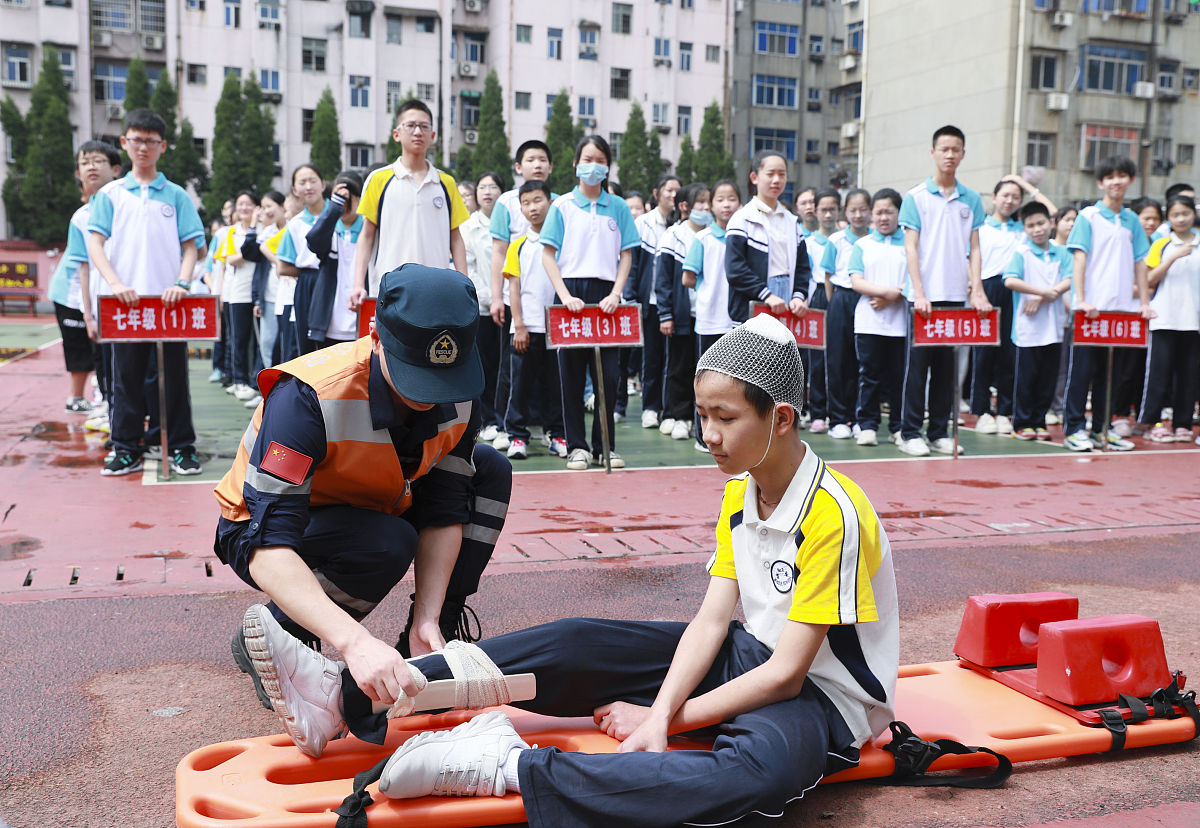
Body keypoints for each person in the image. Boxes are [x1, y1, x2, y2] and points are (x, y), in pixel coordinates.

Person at [241, 313, 898, 828]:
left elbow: (786, 676)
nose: (709, 435)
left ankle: (511, 768)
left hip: (820, 700)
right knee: (581, 641)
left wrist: (665, 720)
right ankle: (345, 695)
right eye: (702, 416)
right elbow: (710, 619)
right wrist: (665, 707)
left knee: (753, 777)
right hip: (747, 656)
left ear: (780, 419)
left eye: (725, 419)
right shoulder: (744, 483)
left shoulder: (835, 514)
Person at [216, 264, 513, 709]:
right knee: (387, 541)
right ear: (375, 337)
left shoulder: (462, 390)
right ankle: (285, 638)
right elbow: (269, 542)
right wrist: (354, 642)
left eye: (445, 380)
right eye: (416, 375)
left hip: (380, 498)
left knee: (488, 471)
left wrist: (427, 614)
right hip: (269, 526)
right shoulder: (308, 397)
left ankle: (432, 635)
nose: (432, 395)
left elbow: (445, 507)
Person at [85, 109, 204, 477]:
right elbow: (96, 243)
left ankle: (181, 447)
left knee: (173, 380)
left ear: (162, 146)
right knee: (126, 379)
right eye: (136, 139)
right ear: (125, 142)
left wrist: (182, 283)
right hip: (126, 305)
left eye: (151, 141)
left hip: (169, 304)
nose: (143, 147)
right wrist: (115, 283)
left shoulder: (177, 195)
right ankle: (125, 448)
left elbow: (191, 247)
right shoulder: (110, 195)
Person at [541, 135, 640, 470]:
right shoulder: (562, 206)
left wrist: (616, 292)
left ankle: (605, 446)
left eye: (600, 159)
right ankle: (577, 447)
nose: (593, 165)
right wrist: (565, 295)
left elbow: (626, 255)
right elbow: (548, 256)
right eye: (587, 158)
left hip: (607, 297)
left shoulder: (620, 207)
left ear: (608, 165)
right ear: (575, 164)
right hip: (570, 294)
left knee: (609, 377)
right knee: (570, 374)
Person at [896, 125, 990, 457]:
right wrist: (919, 292)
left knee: (947, 370)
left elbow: (975, 249)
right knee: (917, 369)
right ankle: (909, 432)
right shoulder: (916, 197)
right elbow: (911, 248)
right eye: (944, 149)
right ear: (933, 152)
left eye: (956, 149)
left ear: (963, 154)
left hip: (956, 298)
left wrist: (976, 290)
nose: (950, 155)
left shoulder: (973, 199)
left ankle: (938, 430)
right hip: (923, 299)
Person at [1063, 156, 1155, 452]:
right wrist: (1081, 299)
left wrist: (1142, 301)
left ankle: (1102, 429)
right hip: (1091, 311)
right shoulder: (1088, 217)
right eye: (1111, 176)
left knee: (1111, 373)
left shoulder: (1131, 221)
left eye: (1123, 176)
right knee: (1083, 372)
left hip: (1121, 313)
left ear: (1130, 180)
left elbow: (1141, 262)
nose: (1117, 181)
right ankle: (1074, 428)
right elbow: (1079, 258)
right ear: (1101, 182)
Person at [352, 99, 468, 307]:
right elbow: (367, 235)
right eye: (411, 125)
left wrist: (465, 284)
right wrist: (358, 283)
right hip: (390, 287)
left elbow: (456, 238)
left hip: (437, 289)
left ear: (433, 136)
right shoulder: (379, 179)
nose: (417, 132)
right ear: (397, 134)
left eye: (424, 126)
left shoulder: (446, 183)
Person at [972, 175, 1056, 436]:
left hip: (1019, 292)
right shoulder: (980, 228)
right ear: (994, 198)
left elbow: (1050, 211)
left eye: (1015, 197)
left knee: (1011, 354)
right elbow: (970, 260)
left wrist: (1025, 184)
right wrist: (977, 292)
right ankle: (982, 411)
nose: (1009, 201)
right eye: (1005, 195)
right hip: (988, 289)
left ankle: (1005, 410)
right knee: (984, 353)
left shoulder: (1023, 228)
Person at [486, 141, 555, 450]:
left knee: (548, 371)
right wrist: (497, 297)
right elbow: (498, 252)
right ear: (518, 166)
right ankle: (506, 426)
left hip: (550, 305)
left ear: (551, 167)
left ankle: (544, 425)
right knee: (511, 367)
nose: (537, 164)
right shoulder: (505, 203)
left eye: (542, 159)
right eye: (530, 159)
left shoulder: (557, 204)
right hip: (517, 298)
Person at [55, 141, 121, 415]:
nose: (91, 166)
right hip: (77, 295)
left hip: (112, 295)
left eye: (98, 160)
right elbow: (84, 267)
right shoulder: (81, 217)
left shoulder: (125, 204)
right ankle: (97, 402)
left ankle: (115, 407)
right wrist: (88, 313)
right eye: (84, 162)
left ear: (116, 169)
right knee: (88, 351)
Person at [502, 180, 566, 460]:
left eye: (537, 200)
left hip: (559, 329)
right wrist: (519, 325)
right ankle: (517, 436)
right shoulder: (517, 246)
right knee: (521, 385)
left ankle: (558, 433)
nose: (532, 208)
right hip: (525, 328)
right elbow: (513, 288)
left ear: (550, 202)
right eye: (526, 203)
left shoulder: (563, 243)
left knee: (557, 384)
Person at [1003, 201, 1072, 441]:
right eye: (1030, 226)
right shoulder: (1021, 253)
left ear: (1051, 223)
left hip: (1054, 326)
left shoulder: (1062, 253)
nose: (1037, 229)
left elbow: (1071, 278)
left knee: (1047, 377)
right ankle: (1022, 423)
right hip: (1027, 328)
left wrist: (1043, 297)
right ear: (1024, 229)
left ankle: (1039, 421)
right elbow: (1010, 280)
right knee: (1026, 377)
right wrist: (1043, 292)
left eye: (1041, 223)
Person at [683, 178, 742, 452]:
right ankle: (702, 435)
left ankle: (733, 434)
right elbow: (688, 277)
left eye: (732, 198)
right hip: (709, 320)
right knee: (706, 382)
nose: (726, 204)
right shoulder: (703, 239)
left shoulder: (744, 238)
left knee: (738, 383)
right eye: (720, 199)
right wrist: (711, 291)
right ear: (711, 206)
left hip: (740, 322)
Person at [848, 188, 909, 447]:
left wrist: (895, 297)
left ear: (899, 213)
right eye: (879, 212)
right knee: (869, 376)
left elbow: (914, 281)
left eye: (889, 212)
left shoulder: (910, 244)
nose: (884, 217)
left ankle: (898, 427)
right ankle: (868, 426)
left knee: (898, 378)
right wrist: (886, 293)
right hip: (868, 322)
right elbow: (856, 280)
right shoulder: (862, 245)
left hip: (901, 324)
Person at [1137, 194, 1200, 444]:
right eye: (1175, 215)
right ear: (1169, 218)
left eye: (1185, 213)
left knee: (1188, 375)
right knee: (1159, 374)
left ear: (1193, 214)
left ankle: (1183, 424)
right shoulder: (1161, 245)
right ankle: (1153, 422)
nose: (1181, 219)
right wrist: (1173, 257)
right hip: (1164, 318)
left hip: (1193, 320)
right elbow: (1150, 279)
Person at [725, 151, 810, 328]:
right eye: (770, 174)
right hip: (754, 301)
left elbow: (803, 267)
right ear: (754, 177)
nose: (776, 180)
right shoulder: (742, 219)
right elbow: (735, 269)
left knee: (783, 354)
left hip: (786, 301)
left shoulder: (791, 221)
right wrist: (767, 295)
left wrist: (798, 296)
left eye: (782, 174)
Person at [655, 182, 711, 442]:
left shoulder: (714, 234)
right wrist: (665, 314)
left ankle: (700, 418)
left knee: (705, 371)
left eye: (708, 202)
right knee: (679, 367)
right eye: (701, 203)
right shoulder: (673, 236)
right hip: (681, 314)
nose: (706, 208)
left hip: (708, 316)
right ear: (685, 206)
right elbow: (664, 280)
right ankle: (679, 417)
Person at [818, 188, 872, 440]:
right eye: (853, 210)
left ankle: (861, 417)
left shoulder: (875, 240)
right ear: (845, 212)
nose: (858, 215)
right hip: (841, 298)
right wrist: (834, 304)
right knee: (838, 361)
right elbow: (828, 277)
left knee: (865, 361)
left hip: (869, 300)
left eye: (863, 209)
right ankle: (838, 418)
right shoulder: (836, 241)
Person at [628, 175, 681, 430]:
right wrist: (630, 296)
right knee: (652, 358)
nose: (673, 195)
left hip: (675, 303)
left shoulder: (683, 224)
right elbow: (634, 263)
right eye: (669, 190)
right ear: (656, 192)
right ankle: (650, 407)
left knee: (674, 360)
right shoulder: (643, 223)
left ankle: (670, 410)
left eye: (677, 191)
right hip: (650, 301)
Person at [460, 172, 506, 442]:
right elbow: (468, 268)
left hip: (511, 306)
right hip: (483, 308)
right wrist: (489, 296)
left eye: (493, 186)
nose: (487, 191)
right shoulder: (467, 227)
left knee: (507, 367)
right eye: (482, 187)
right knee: (486, 365)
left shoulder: (511, 222)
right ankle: (488, 420)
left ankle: (508, 418)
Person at [304, 170, 365, 348]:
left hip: (360, 316)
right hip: (329, 319)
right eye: (339, 198)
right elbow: (314, 242)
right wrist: (334, 207)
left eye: (349, 198)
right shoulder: (328, 228)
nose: (344, 204)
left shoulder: (368, 231)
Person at [275, 164, 329, 356]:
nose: (308, 186)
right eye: (302, 182)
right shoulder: (295, 224)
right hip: (307, 283)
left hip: (338, 281)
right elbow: (282, 267)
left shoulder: (339, 215)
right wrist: (308, 274)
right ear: (294, 190)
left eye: (313, 181)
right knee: (306, 342)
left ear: (323, 185)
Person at [215, 190, 263, 402]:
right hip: (238, 293)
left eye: (249, 204)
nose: (244, 208)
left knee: (260, 341)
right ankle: (239, 380)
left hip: (261, 291)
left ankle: (255, 381)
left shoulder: (263, 230)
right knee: (239, 339)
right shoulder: (230, 232)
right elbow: (230, 260)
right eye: (240, 204)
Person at [803, 189, 842, 436]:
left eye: (832, 209)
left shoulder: (846, 240)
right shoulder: (807, 243)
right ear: (815, 212)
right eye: (823, 209)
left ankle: (841, 414)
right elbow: (804, 276)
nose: (828, 214)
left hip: (843, 294)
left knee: (842, 357)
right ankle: (818, 412)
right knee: (816, 360)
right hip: (816, 296)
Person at [240, 190, 287, 374]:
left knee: (286, 346)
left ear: (282, 206)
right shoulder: (267, 232)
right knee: (267, 344)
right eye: (264, 207)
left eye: (270, 206)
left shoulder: (294, 227)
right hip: (269, 296)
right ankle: (269, 391)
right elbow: (249, 252)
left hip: (289, 296)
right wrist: (253, 224)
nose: (266, 211)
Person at [1048, 205, 1079, 425]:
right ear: (1055, 222)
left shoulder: (1079, 251)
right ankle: (1048, 406)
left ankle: (1059, 406)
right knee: (1053, 365)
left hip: (1075, 317)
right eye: (1067, 219)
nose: (1071, 224)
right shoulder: (1048, 247)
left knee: (1066, 366)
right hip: (1052, 314)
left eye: (1074, 220)